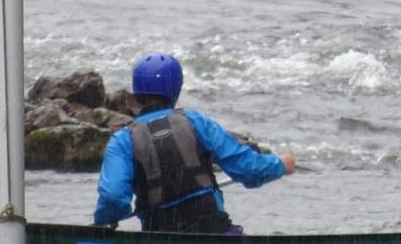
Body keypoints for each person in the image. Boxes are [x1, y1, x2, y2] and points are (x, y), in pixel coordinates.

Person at [94, 52, 296, 233]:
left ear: (137, 93)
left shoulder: (122, 140)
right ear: (176, 88)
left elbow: (112, 197)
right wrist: (280, 164)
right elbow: (248, 169)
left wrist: (108, 220)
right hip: (213, 234)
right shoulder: (197, 122)